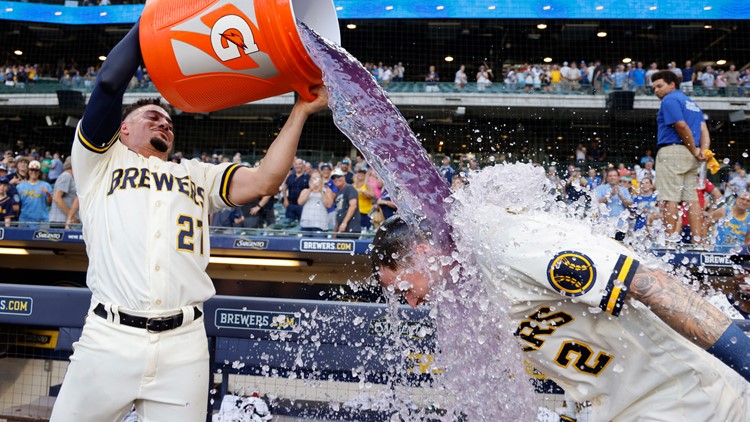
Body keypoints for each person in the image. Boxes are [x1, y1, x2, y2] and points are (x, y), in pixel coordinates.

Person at [50, 20, 327, 421]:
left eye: (169, 121)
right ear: (122, 128)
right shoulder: (99, 162)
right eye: (151, 115)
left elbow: (267, 178)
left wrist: (300, 112)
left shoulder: (197, 174)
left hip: (183, 345)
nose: (164, 121)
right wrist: (153, 22)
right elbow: (109, 84)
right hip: (109, 338)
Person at [371, 177, 750, 420]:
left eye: (403, 289)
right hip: (627, 408)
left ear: (421, 253)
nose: (412, 304)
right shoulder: (468, 287)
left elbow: (651, 284)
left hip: (688, 399)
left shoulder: (506, 242)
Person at [652, 69, 710, 244]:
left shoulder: (670, 99)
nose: (656, 90)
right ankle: (698, 241)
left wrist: (693, 149)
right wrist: (702, 151)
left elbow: (681, 125)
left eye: (659, 86)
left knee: (669, 198)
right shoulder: (692, 103)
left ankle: (669, 241)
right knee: (692, 199)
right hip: (691, 155)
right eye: (653, 88)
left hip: (673, 151)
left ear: (672, 84)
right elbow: (704, 130)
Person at [16, 160, 52, 227]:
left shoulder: (46, 185)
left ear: (39, 172)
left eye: (36, 171)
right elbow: (16, 205)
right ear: (28, 171)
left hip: (41, 220)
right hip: (24, 220)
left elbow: (50, 203)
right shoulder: (20, 187)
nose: (34, 172)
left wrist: (48, 193)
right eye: (31, 170)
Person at [298, 170, 332, 235]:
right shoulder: (305, 190)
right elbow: (300, 202)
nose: (316, 180)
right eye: (314, 178)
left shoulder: (327, 191)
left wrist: (321, 191)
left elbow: (329, 205)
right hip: (306, 224)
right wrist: (311, 189)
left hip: (320, 225)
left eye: (317, 178)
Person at [329, 168, 360, 238]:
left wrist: (344, 223)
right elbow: (338, 212)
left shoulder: (349, 188)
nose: (336, 179)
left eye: (338, 176)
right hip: (341, 229)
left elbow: (353, 206)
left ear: (343, 177)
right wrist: (335, 232)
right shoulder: (338, 193)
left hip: (351, 227)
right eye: (334, 178)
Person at [49, 157, 77, 228]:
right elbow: (56, 197)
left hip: (65, 221)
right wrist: (70, 216)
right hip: (60, 221)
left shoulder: (71, 177)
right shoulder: (66, 176)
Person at [281, 158, 309, 223]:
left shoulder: (308, 177)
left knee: (302, 224)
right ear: (294, 165)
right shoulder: (290, 176)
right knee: (289, 224)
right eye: (296, 164)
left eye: (300, 164)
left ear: (303, 165)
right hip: (291, 205)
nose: (298, 166)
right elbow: (284, 187)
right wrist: (285, 200)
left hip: (303, 206)